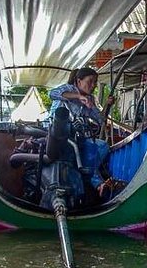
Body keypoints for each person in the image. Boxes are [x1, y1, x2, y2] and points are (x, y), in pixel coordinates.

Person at [49, 67, 115, 195]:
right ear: (79, 82)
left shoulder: (89, 99)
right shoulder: (67, 89)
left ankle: (96, 183)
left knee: (102, 146)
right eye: (90, 81)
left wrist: (107, 105)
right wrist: (79, 96)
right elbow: (52, 93)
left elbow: (100, 120)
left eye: (95, 82)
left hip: (76, 138)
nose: (93, 85)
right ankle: (93, 183)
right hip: (55, 136)